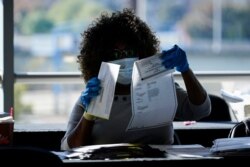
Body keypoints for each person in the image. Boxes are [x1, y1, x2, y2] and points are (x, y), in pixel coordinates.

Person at [60, 8, 211, 150]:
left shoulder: (160, 87)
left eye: (130, 52)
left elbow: (200, 110)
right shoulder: (92, 97)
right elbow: (69, 148)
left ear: (142, 52)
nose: (125, 59)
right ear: (100, 59)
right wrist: (89, 113)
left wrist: (185, 70)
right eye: (116, 55)